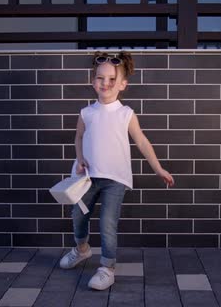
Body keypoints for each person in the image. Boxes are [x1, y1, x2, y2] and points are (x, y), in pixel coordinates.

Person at [59, 51, 175, 290]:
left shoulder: (126, 114)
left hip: (115, 180)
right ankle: (82, 250)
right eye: (101, 78)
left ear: (123, 84)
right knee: (78, 216)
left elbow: (142, 141)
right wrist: (80, 159)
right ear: (93, 82)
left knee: (107, 223)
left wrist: (158, 168)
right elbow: (79, 137)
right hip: (87, 178)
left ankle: (107, 267)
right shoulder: (86, 113)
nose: (106, 83)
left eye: (112, 79)